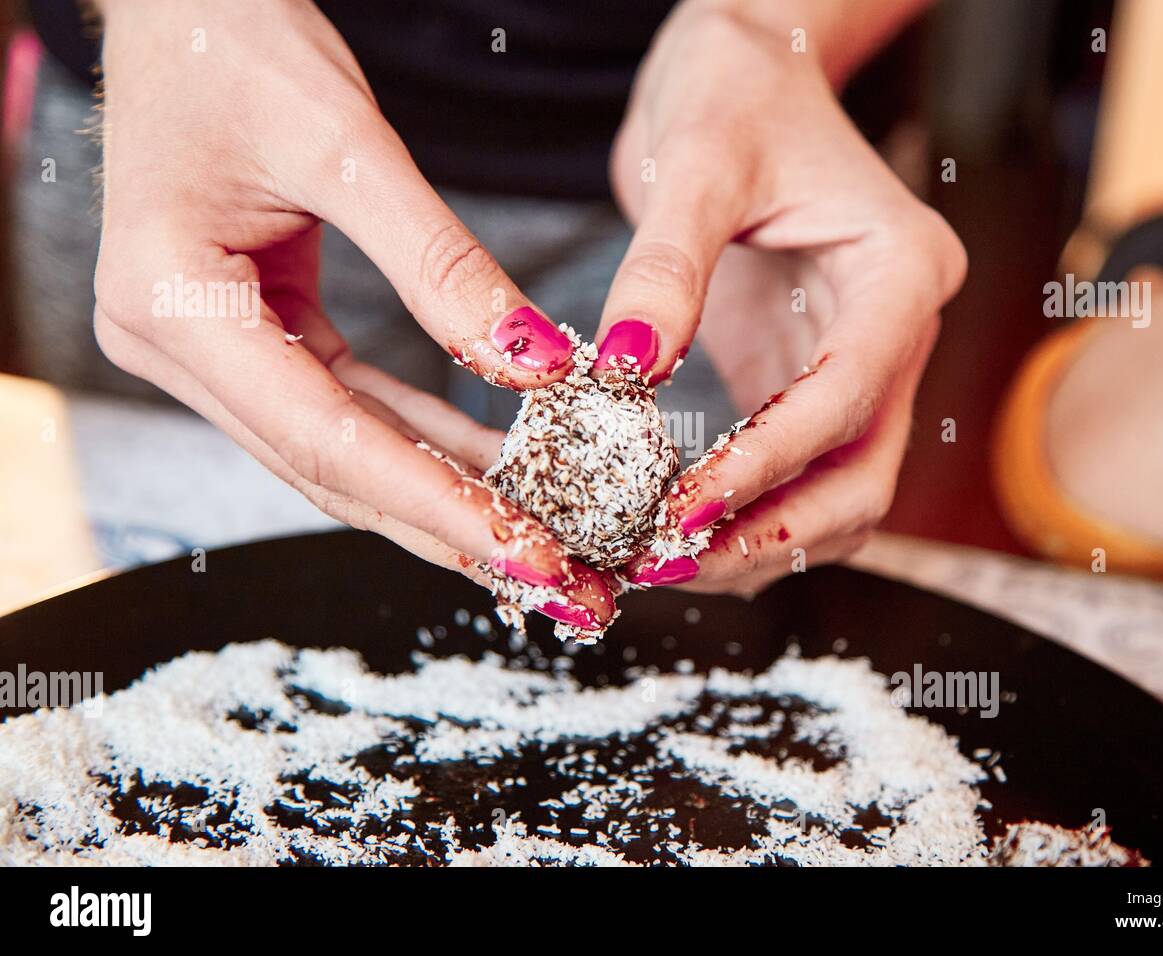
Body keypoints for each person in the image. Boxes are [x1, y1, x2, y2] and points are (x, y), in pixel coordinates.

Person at [56, 0, 964, 626]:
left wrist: (768, 29)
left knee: (689, 630)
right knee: (207, 594)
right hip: (213, 140)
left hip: (735, 159)